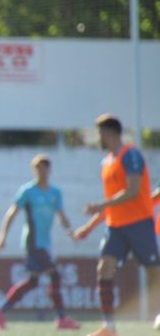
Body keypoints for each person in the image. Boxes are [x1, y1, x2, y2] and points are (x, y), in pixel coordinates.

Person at [74, 114, 160, 336]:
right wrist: (90, 226)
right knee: (104, 269)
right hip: (116, 226)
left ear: (108, 133)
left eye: (99, 133)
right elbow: (112, 202)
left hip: (139, 223)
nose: (98, 138)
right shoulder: (106, 162)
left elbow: (132, 192)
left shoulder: (130, 155)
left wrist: (99, 205)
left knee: (154, 272)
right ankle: (109, 327)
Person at [0, 154, 80, 330]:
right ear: (34, 170)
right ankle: (61, 318)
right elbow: (11, 213)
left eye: (44, 167)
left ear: (49, 170)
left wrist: (71, 232)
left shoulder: (55, 193)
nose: (41, 171)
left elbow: (62, 216)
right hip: (32, 242)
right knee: (55, 275)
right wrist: (2, 236)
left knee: (33, 281)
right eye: (38, 168)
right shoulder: (27, 192)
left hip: (44, 243)